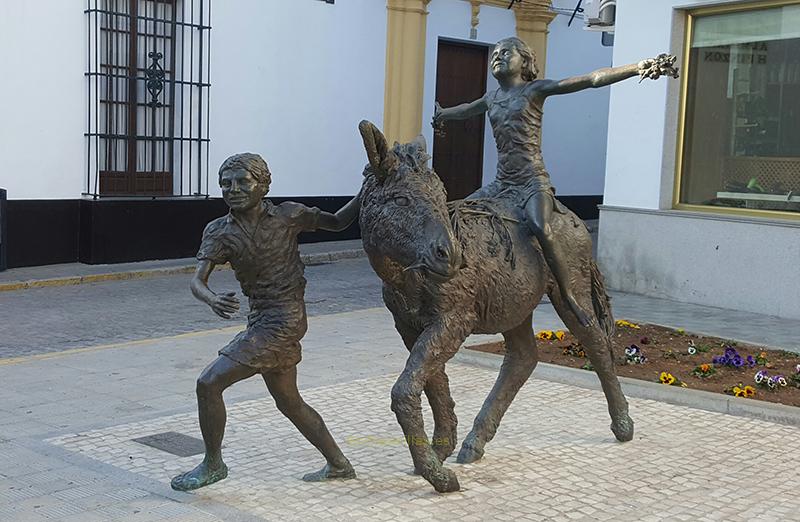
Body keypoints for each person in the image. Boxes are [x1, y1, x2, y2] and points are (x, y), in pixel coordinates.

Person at [433, 37, 676, 327]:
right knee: (457, 215)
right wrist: (442, 114)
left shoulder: (534, 90)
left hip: (531, 183)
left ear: (524, 61)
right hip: (501, 184)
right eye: (495, 53)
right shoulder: (491, 98)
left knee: (539, 225)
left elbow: (591, 79)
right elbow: (465, 109)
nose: (498, 57)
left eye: (506, 52)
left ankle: (568, 292)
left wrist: (636, 68)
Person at [171, 153, 361, 491]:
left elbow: (338, 222)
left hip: (285, 319)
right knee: (290, 401)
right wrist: (211, 298)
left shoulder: (289, 215)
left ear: (263, 185)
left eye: (243, 182)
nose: (233, 189)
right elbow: (197, 280)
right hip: (260, 319)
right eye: (226, 184)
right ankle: (338, 464)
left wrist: (367, 188)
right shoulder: (219, 231)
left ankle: (213, 464)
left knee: (209, 384)